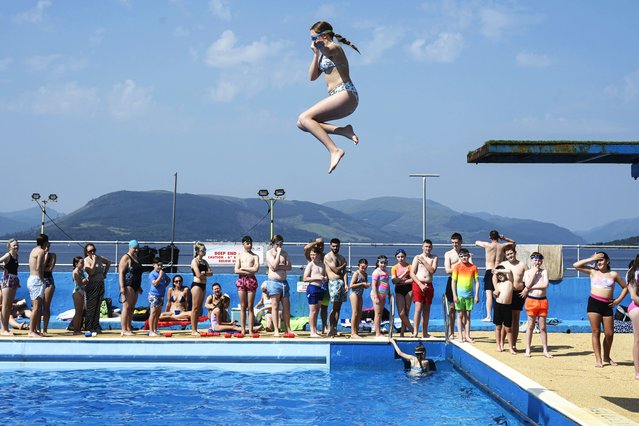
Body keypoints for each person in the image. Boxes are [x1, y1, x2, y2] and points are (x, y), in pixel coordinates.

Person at [297, 20, 360, 174]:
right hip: (338, 96)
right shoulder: (322, 53)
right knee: (302, 124)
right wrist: (316, 53)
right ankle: (344, 131)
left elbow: (329, 50)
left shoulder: (335, 48)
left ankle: (334, 150)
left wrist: (321, 47)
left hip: (345, 92)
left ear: (323, 35)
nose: (312, 42)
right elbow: (312, 77)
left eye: (313, 38)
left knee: (305, 117)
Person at [573, 252, 628, 368]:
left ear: (607, 261)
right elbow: (576, 265)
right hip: (594, 304)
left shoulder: (613, 274)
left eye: (601, 259)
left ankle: (607, 357)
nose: (599, 262)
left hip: (607, 305)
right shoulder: (593, 272)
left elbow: (625, 287)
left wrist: (618, 301)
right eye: (597, 260)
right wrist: (592, 258)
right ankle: (598, 359)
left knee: (609, 333)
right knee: (596, 332)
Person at [476, 230, 515, 322]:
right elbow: (513, 243)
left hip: (490, 271)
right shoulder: (502, 246)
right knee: (501, 294)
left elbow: (476, 242)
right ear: (498, 237)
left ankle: (489, 316)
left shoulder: (487, 245)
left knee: (489, 295)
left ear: (490, 237)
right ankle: (501, 316)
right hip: (499, 270)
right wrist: (504, 238)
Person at [521, 253, 552, 358]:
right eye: (535, 260)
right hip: (531, 300)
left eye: (539, 260)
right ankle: (528, 349)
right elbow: (527, 284)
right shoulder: (527, 272)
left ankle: (545, 350)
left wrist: (530, 288)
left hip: (542, 301)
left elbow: (545, 285)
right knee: (530, 325)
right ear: (531, 261)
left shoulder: (544, 272)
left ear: (542, 261)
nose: (537, 262)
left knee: (543, 327)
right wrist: (534, 273)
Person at [498, 245, 527, 353]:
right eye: (508, 254)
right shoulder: (502, 265)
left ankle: (513, 344)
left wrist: (525, 290)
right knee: (505, 320)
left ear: (515, 253)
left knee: (515, 319)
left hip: (518, 294)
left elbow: (528, 279)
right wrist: (496, 290)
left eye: (511, 253)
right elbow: (495, 277)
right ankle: (501, 343)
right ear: (505, 255)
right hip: (505, 293)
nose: (510, 255)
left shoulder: (522, 265)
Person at [265, 235, 293, 337]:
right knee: (275, 306)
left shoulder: (285, 253)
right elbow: (273, 266)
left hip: (284, 282)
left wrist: (279, 266)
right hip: (274, 282)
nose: (279, 245)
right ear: (273, 243)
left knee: (286, 307)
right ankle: (276, 330)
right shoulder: (269, 253)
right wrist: (278, 254)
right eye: (277, 243)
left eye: (281, 243)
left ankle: (287, 329)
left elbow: (289, 266)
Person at [409, 241, 438, 338]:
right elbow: (412, 273)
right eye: (426, 246)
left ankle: (425, 333)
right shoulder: (417, 257)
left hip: (429, 285)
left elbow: (432, 271)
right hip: (418, 284)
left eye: (429, 247)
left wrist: (424, 262)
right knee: (418, 309)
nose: (427, 248)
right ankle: (416, 332)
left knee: (427, 310)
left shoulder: (434, 258)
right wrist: (420, 285)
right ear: (422, 247)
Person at [451, 248, 480, 343]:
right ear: (459, 257)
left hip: (469, 296)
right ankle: (460, 335)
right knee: (459, 315)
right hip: (459, 296)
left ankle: (467, 335)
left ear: (468, 256)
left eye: (465, 255)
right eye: (462, 256)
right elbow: (453, 282)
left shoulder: (473, 267)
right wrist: (454, 295)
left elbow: (477, 282)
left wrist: (476, 295)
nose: (464, 257)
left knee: (467, 316)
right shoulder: (457, 267)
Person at [83, 243, 112, 334]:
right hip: (92, 284)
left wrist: (105, 273)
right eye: (90, 251)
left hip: (100, 283)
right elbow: (91, 272)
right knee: (91, 306)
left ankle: (96, 325)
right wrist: (94, 261)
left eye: (94, 250)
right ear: (87, 252)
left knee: (98, 305)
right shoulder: (86, 260)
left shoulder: (99, 258)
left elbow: (108, 262)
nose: (93, 252)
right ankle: (89, 326)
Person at [234, 235, 260, 335]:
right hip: (241, 280)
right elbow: (236, 270)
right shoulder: (239, 256)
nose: (249, 245)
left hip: (251, 281)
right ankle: (243, 329)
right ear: (243, 244)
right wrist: (248, 270)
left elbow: (256, 269)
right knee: (242, 306)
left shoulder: (255, 256)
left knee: (250, 306)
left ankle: (251, 329)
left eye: (250, 243)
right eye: (247, 243)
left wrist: (243, 269)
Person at [118, 240, 143, 336]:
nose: (136, 250)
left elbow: (137, 273)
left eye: (137, 248)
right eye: (134, 248)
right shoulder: (126, 257)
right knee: (126, 307)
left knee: (132, 308)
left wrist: (139, 286)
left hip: (136, 285)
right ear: (130, 248)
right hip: (128, 285)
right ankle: (124, 329)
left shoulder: (136, 257)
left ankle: (129, 327)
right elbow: (121, 273)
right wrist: (122, 287)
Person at [304, 238, 328, 334]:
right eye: (311, 255)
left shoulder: (322, 265)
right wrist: (317, 278)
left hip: (320, 288)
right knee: (313, 310)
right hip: (313, 288)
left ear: (318, 255)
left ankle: (315, 329)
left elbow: (325, 275)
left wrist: (324, 278)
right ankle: (312, 330)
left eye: (314, 255)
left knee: (317, 310)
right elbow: (305, 278)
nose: (313, 256)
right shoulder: (310, 264)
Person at [324, 238, 348, 337]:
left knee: (338, 308)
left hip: (341, 283)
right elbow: (336, 270)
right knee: (334, 307)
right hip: (333, 282)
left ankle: (334, 328)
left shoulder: (341, 257)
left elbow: (345, 272)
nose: (335, 248)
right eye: (333, 246)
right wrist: (343, 265)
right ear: (330, 246)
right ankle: (329, 329)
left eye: (337, 246)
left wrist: (346, 284)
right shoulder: (328, 256)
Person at [444, 233, 466, 338]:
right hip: (452, 280)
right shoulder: (448, 254)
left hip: (463, 282)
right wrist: (461, 267)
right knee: (452, 307)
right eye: (452, 242)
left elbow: (470, 267)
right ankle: (451, 331)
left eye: (456, 242)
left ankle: (464, 332)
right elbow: (447, 270)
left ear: (461, 242)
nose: (454, 245)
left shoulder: (466, 253)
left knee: (464, 308)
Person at [27, 234, 48, 338]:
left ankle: (34, 329)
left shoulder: (33, 250)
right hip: (36, 280)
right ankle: (31, 331)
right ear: (45, 242)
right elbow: (39, 266)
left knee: (37, 307)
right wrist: (42, 279)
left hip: (31, 278)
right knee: (36, 307)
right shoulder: (41, 251)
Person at [190, 242, 212, 336]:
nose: (204, 252)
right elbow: (198, 275)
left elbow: (211, 273)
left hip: (203, 285)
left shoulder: (205, 262)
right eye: (202, 250)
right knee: (195, 307)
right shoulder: (195, 261)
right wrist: (204, 273)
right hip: (197, 285)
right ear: (198, 251)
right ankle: (193, 330)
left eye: (205, 250)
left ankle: (196, 328)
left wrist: (204, 273)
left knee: (199, 308)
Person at [491, 266, 515, 354]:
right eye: (498, 275)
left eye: (501, 274)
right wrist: (495, 293)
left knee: (508, 328)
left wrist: (498, 270)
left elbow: (509, 270)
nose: (500, 276)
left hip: (507, 307)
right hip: (498, 306)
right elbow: (494, 278)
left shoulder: (510, 282)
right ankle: (498, 345)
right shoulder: (497, 285)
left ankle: (510, 347)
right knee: (498, 327)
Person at [391, 249, 413, 337]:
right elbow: (394, 281)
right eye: (399, 257)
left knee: (406, 312)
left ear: (405, 257)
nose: (401, 259)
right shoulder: (394, 267)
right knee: (401, 313)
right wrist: (404, 273)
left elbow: (413, 279)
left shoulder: (410, 266)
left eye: (402, 257)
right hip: (399, 289)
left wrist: (402, 281)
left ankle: (402, 332)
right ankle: (412, 329)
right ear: (396, 258)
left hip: (408, 288)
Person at [1, 238, 20, 336]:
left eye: (17, 245)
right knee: (5, 305)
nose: (16, 247)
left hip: (14, 279)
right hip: (7, 280)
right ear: (9, 247)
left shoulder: (16, 256)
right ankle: (4, 329)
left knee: (9, 305)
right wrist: (4, 268)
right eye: (14, 245)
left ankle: (6, 328)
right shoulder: (8, 255)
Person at [147, 257, 170, 337]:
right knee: (153, 313)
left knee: (157, 314)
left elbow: (168, 280)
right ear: (153, 265)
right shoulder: (152, 274)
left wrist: (164, 286)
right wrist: (160, 276)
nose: (160, 267)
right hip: (154, 296)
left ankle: (155, 329)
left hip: (161, 295)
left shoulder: (163, 273)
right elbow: (155, 283)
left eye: (161, 265)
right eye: (158, 265)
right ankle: (150, 331)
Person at [349, 258, 369, 339]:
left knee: (360, 313)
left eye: (365, 267)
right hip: (354, 294)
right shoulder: (356, 274)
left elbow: (365, 286)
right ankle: (352, 333)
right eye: (362, 267)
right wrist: (362, 284)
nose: (363, 269)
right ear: (358, 266)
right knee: (355, 312)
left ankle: (356, 330)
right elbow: (351, 285)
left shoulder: (366, 275)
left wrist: (366, 285)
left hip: (360, 294)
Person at [626, 255, 639, 380]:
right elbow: (634, 297)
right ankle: (637, 372)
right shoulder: (633, 276)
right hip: (636, 308)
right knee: (638, 340)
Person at [371, 255, 390, 338]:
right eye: (381, 263)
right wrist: (376, 297)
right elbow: (374, 285)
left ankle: (378, 330)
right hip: (377, 295)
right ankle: (377, 333)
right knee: (377, 313)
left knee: (380, 314)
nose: (383, 264)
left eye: (385, 263)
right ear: (378, 263)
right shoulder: (376, 272)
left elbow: (387, 284)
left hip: (383, 296)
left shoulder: (386, 272)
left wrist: (389, 294)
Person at [41, 241, 56, 334]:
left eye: (48, 246)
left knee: (46, 305)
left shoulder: (52, 255)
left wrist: (46, 255)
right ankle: (37, 328)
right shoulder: (38, 255)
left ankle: (45, 329)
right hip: (39, 280)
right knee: (37, 306)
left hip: (48, 280)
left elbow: (48, 269)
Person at [71, 256, 88, 334]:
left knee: (81, 311)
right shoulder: (76, 272)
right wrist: (86, 280)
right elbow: (80, 283)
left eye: (83, 263)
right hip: (77, 292)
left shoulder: (81, 271)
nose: (83, 264)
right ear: (76, 263)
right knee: (78, 312)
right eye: (81, 263)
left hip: (81, 291)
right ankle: (75, 329)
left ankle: (78, 328)